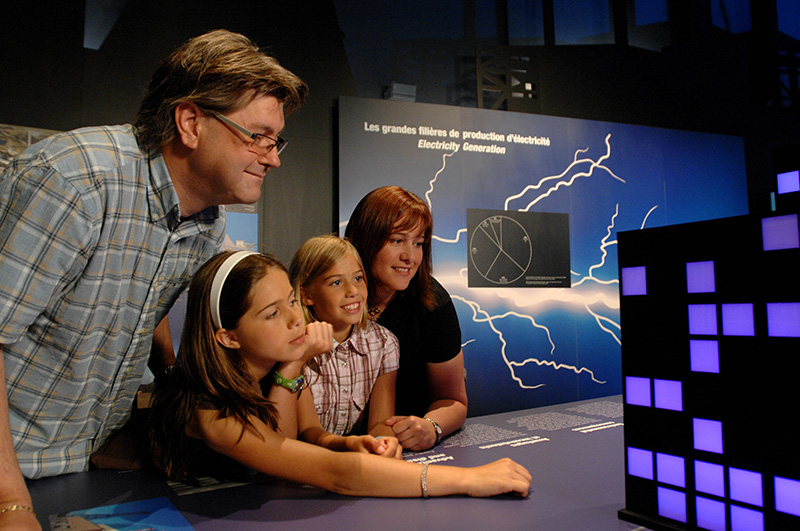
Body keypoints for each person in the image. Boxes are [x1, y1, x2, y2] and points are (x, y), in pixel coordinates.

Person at [0, 29, 307, 529]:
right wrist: (9, 505)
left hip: (76, 472)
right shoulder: (74, 182)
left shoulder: (208, 224)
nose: (273, 157)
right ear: (190, 122)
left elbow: (144, 314)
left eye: (277, 140)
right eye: (257, 136)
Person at [148, 250, 531, 498]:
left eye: (291, 302)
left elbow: (282, 445)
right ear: (228, 337)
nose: (296, 318)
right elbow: (335, 475)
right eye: (272, 313)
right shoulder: (213, 413)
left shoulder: (268, 372)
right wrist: (467, 480)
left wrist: (344, 441)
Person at [344, 186, 467, 451]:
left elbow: (453, 401)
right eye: (397, 240)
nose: (410, 257)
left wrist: (430, 427)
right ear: (365, 239)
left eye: (418, 243)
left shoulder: (433, 303)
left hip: (399, 450)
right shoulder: (328, 295)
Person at [289, 235, 401, 457]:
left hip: (357, 460)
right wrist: (347, 445)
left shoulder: (384, 343)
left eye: (358, 278)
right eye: (336, 282)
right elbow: (308, 432)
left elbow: (380, 422)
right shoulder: (296, 346)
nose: (353, 291)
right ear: (306, 295)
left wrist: (381, 445)